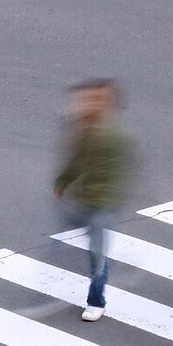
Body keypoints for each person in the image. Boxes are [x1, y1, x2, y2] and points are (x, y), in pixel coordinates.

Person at [53, 79, 136, 322]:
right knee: (61, 241)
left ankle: (96, 302)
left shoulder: (117, 136)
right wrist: (64, 180)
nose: (92, 103)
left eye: (98, 99)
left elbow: (125, 172)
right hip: (82, 201)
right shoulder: (84, 129)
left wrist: (107, 199)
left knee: (97, 255)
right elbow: (77, 159)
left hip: (103, 206)